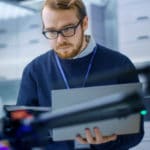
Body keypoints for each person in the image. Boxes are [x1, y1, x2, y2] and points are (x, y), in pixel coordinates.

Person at [17, 0, 144, 149]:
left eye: (68, 29)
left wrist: (108, 142)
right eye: (51, 31)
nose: (60, 39)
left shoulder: (120, 64)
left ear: (84, 23)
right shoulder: (34, 71)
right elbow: (21, 132)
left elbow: (136, 133)